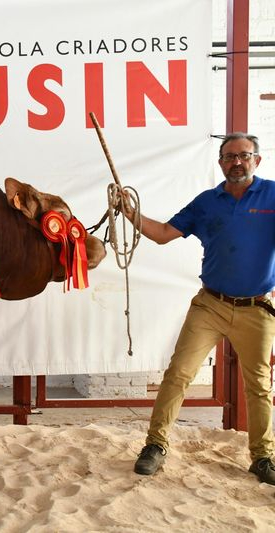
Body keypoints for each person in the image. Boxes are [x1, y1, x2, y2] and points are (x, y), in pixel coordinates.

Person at [129, 132, 275, 484]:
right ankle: (156, 445)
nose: (236, 162)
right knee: (178, 374)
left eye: (243, 155)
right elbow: (163, 233)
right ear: (221, 163)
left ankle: (263, 457)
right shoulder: (207, 202)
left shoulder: (272, 195)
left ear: (257, 159)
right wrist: (130, 213)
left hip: (257, 308)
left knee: (259, 385)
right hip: (210, 304)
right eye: (228, 157)